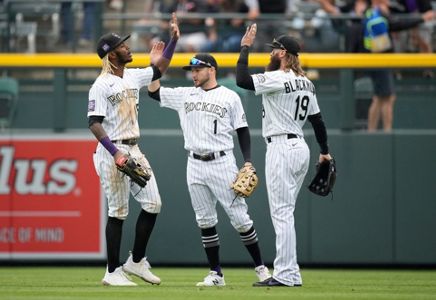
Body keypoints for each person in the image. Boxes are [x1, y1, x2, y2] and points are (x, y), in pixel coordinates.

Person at [147, 53, 271, 287]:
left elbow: (242, 129)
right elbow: (154, 92)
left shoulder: (229, 96)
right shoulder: (185, 94)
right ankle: (216, 274)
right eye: (191, 70)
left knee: (241, 220)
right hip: (194, 164)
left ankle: (262, 269)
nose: (193, 74)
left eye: (198, 70)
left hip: (222, 162)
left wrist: (247, 161)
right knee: (205, 220)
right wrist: (154, 67)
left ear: (211, 69)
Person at [236, 24, 333, 287]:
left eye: (274, 49)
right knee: (285, 212)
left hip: (281, 147)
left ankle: (287, 273)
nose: (270, 53)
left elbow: (241, 80)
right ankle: (290, 272)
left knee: (281, 213)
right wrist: (324, 152)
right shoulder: (306, 83)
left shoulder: (278, 79)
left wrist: (245, 47)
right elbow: (318, 121)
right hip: (301, 147)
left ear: (282, 53)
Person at [87, 13, 180, 286]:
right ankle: (112, 272)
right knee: (118, 211)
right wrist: (115, 153)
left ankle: (136, 262)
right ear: (111, 54)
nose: (128, 47)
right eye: (123, 45)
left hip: (134, 149)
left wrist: (174, 40)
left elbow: (159, 69)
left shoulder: (133, 75)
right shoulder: (101, 84)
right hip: (111, 150)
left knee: (154, 203)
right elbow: (93, 123)